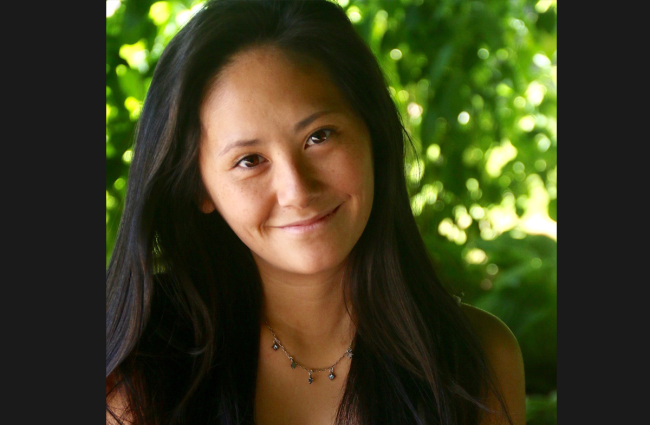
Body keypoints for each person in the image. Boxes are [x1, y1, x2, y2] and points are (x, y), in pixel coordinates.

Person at [106, 0, 526, 424]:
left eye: (319, 136)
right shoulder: (138, 372)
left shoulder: (478, 360)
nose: (297, 191)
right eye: (250, 160)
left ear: (372, 134)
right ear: (199, 188)